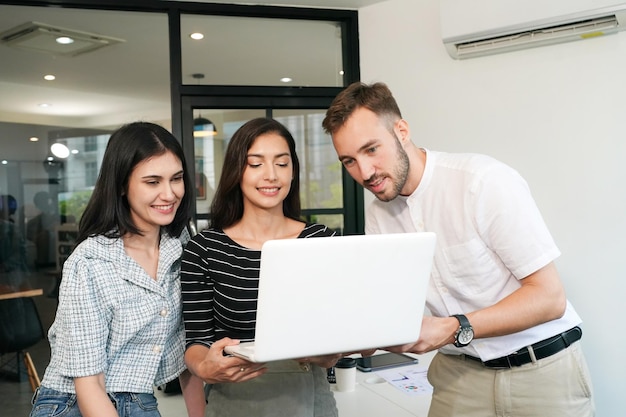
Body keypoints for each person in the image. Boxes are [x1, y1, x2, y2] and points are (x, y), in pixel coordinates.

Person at [322, 82, 595, 417]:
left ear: (402, 131)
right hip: (458, 376)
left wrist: (453, 327)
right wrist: (326, 344)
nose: (364, 173)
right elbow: (387, 311)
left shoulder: (482, 181)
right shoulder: (378, 214)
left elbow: (550, 298)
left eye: (371, 150)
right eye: (349, 160)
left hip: (540, 372)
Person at [30, 122, 204, 417]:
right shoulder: (89, 263)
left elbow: (188, 350)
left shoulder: (182, 245)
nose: (169, 193)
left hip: (138, 398)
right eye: (152, 182)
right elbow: (89, 383)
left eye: (176, 178)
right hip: (73, 403)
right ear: (123, 185)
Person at [181, 117, 341, 417]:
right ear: (236, 172)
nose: (271, 175)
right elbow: (197, 341)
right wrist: (205, 367)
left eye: (281, 163)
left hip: (309, 397)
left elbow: (337, 337)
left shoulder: (322, 241)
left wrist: (330, 353)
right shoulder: (205, 248)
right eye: (255, 164)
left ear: (293, 171)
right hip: (233, 397)